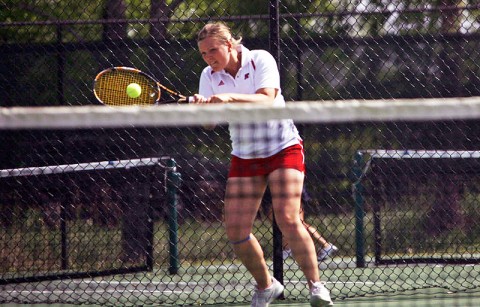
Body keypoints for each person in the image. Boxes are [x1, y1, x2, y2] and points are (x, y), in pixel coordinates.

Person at [192, 22, 334, 307]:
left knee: (288, 218)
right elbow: (208, 124)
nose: (209, 58)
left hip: (283, 148)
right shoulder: (208, 75)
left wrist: (229, 97)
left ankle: (317, 288)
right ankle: (266, 285)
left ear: (229, 44)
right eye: (204, 53)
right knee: (236, 230)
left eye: (213, 50)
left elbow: (267, 99)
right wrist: (204, 108)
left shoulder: (260, 59)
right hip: (245, 155)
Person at [261, 188, 338, 262]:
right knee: (296, 223)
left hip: (286, 187)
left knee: (295, 222)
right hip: (290, 186)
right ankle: (287, 248)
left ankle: (287, 248)